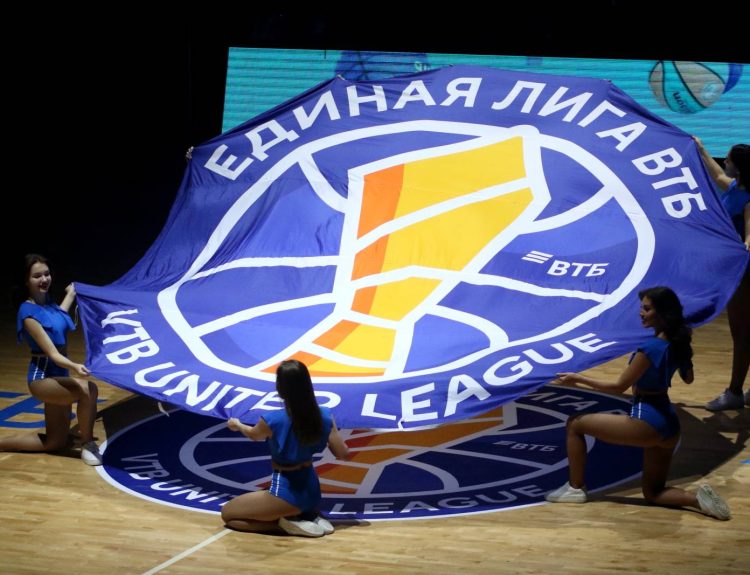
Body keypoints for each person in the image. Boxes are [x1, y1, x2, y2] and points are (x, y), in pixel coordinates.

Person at [544, 286, 730, 520]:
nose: (641, 313)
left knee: (575, 424)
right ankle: (697, 499)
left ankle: (575, 488)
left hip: (647, 421)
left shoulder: (650, 348)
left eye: (647, 309)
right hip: (670, 425)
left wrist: (578, 379)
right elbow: (689, 379)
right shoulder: (678, 344)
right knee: (654, 493)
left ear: (662, 313)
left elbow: (618, 387)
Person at [221, 359, 350, 537]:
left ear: (280, 389)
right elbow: (342, 453)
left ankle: (287, 525)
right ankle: (309, 516)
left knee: (229, 515)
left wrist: (237, 424)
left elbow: (254, 435)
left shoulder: (272, 420)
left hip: (287, 494)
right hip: (313, 492)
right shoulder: (325, 415)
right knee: (264, 501)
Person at [0, 254, 102, 465]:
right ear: (26, 281)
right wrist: (75, 366)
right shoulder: (27, 313)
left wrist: (71, 294)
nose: (44, 279)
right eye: (37, 276)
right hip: (42, 379)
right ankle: (88, 444)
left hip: (59, 376)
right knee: (88, 389)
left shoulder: (48, 305)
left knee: (55, 443)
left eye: (46, 274)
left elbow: (58, 318)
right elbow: (53, 354)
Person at [695, 139, 750, 411]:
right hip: (736, 269)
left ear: (738, 167)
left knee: (742, 334)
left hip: (745, 271)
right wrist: (700, 147)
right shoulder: (734, 187)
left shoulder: (748, 197)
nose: (724, 162)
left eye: (728, 159)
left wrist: (745, 247)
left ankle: (735, 392)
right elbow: (716, 173)